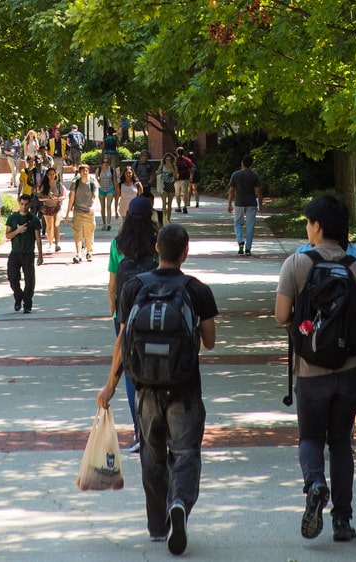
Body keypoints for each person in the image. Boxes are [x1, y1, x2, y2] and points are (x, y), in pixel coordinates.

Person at [97, 223, 218, 555]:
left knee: (152, 453)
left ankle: (156, 525)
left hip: (145, 387)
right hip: (184, 387)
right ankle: (178, 502)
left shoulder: (134, 287)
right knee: (185, 452)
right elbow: (208, 342)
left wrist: (110, 386)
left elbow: (123, 340)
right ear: (185, 252)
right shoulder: (197, 290)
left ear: (156, 250)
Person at [274, 195, 356, 543]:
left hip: (310, 372)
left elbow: (281, 316)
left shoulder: (296, 264)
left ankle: (315, 484)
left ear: (318, 226)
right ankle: (342, 520)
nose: (307, 229)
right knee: (341, 442)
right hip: (350, 370)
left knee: (310, 437)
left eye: (309, 223)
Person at [106, 196, 158, 453]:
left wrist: (114, 311)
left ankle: (139, 431)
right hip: (154, 313)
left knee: (129, 370)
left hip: (125, 315)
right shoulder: (157, 243)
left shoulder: (118, 244)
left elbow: (112, 285)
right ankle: (157, 427)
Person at [5, 194, 44, 313]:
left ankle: (27, 303)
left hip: (28, 254)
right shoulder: (13, 218)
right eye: (22, 204)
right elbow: (7, 235)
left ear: (30, 204)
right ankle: (18, 296)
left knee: (29, 280)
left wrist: (40, 255)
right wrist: (18, 230)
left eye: (26, 204)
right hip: (15, 253)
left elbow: (38, 238)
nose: (24, 206)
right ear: (19, 203)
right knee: (12, 277)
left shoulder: (34, 219)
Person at [227, 154, 262, 256]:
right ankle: (248, 249)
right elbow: (258, 191)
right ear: (251, 164)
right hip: (251, 203)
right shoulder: (254, 175)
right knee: (250, 226)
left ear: (241, 162)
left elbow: (231, 191)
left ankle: (240, 240)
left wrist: (229, 203)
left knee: (237, 223)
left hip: (239, 203)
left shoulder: (235, 175)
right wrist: (260, 204)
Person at [63, 164, 98, 264]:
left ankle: (88, 252)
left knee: (88, 232)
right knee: (77, 232)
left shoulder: (92, 183)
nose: (84, 172)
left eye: (86, 170)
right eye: (82, 171)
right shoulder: (75, 183)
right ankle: (78, 254)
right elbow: (71, 198)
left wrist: (93, 207)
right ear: (79, 172)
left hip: (89, 212)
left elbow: (95, 196)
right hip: (78, 211)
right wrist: (67, 214)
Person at [39, 167, 66, 253]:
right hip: (47, 207)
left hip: (57, 207)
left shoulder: (59, 185)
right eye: (49, 174)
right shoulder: (44, 186)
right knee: (50, 226)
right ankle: (51, 244)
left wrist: (58, 199)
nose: (51, 176)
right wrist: (47, 198)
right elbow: (40, 198)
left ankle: (57, 244)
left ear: (55, 174)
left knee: (56, 225)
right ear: (47, 175)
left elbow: (64, 196)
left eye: (53, 174)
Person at [96, 158, 117, 231]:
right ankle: (104, 223)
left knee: (108, 206)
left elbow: (114, 180)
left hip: (110, 189)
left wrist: (116, 190)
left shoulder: (111, 169)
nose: (105, 163)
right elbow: (96, 180)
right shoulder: (98, 170)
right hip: (101, 189)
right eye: (103, 162)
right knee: (102, 207)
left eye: (107, 162)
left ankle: (108, 224)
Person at [158, 152, 177, 224]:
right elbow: (158, 173)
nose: (168, 161)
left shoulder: (174, 166)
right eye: (167, 160)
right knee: (163, 203)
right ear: (164, 160)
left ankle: (168, 219)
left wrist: (172, 169)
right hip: (163, 185)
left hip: (171, 184)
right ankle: (164, 219)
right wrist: (161, 174)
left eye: (169, 160)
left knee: (170, 204)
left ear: (172, 160)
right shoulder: (162, 166)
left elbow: (176, 176)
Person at [174, 147, 194, 215]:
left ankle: (178, 207)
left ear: (177, 152)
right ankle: (185, 206)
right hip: (185, 178)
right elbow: (191, 169)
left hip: (177, 179)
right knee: (185, 193)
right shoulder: (187, 160)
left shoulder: (175, 160)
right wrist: (191, 177)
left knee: (177, 194)